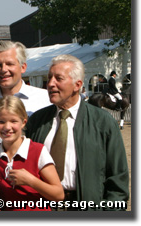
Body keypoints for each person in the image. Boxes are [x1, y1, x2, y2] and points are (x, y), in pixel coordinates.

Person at [25, 54, 129, 211]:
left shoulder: (103, 122)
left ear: (77, 85)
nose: (50, 84)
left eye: (58, 78)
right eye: (49, 78)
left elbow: (117, 178)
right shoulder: (37, 121)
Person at [0, 96, 64, 211]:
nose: (7, 127)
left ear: (23, 122)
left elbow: (59, 195)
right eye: (1, 122)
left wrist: (31, 181)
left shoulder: (37, 151)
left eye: (13, 121)